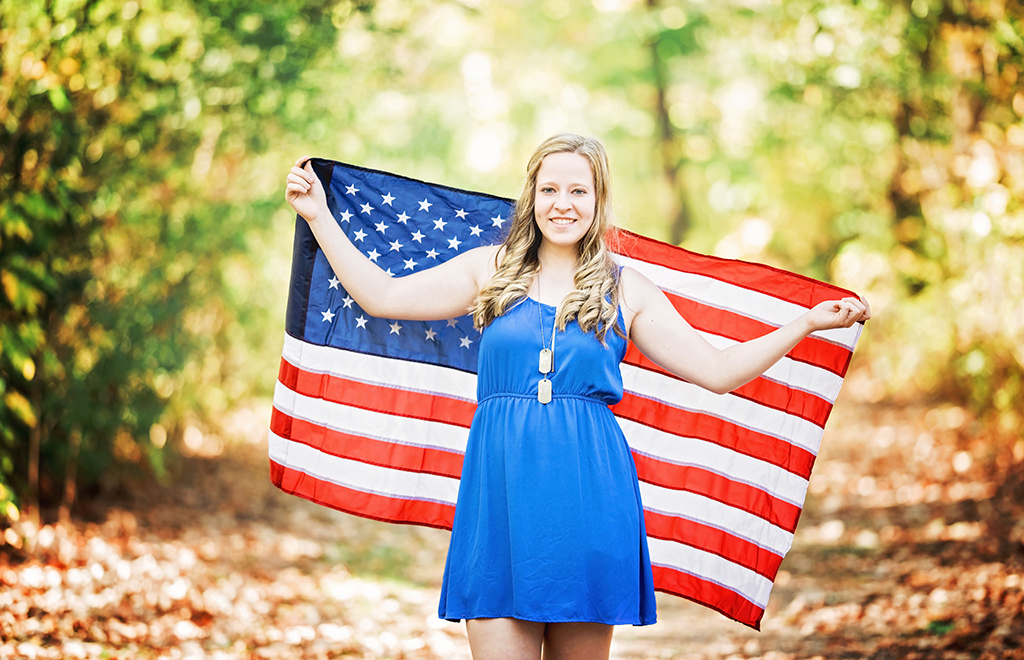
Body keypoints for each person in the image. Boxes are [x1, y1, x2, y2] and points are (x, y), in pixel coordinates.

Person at [284, 134, 870, 660]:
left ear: (598, 201)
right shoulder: (489, 270)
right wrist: (318, 216)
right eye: (549, 189)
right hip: (501, 495)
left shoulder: (626, 290)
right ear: (531, 198)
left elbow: (716, 370)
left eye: (578, 191)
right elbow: (382, 296)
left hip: (590, 499)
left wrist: (804, 325)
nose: (562, 203)